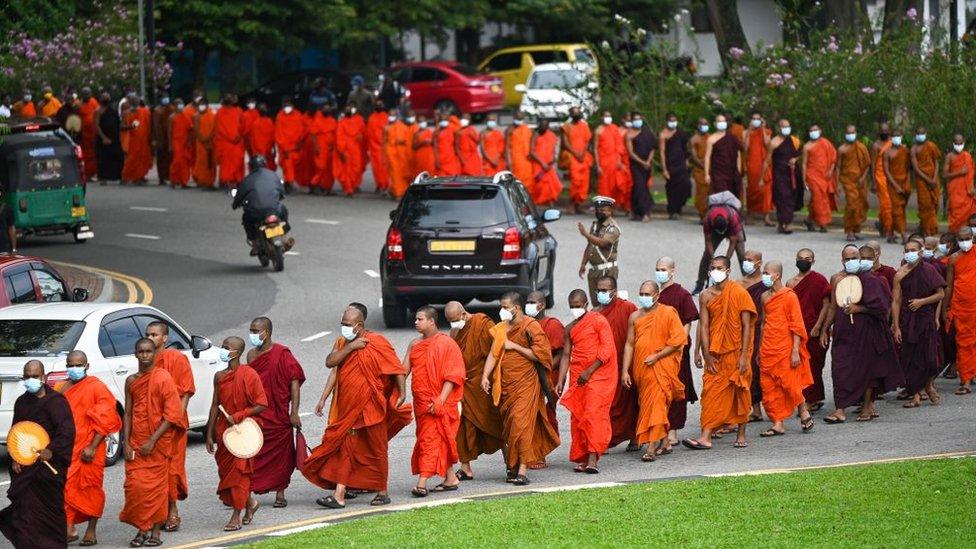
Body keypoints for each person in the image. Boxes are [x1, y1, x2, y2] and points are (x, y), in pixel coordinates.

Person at [303, 307, 409, 508]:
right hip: (349, 409)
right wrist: (351, 347)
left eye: (347, 325)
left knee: (377, 449)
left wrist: (402, 393)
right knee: (346, 448)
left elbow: (397, 369)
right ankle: (339, 495)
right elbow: (330, 363)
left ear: (359, 326)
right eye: (342, 324)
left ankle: (382, 492)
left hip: (372, 407)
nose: (343, 328)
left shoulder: (377, 342)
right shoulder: (344, 343)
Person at [480, 292, 559, 486]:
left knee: (520, 425)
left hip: (526, 385)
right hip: (505, 385)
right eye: (502, 306)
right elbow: (493, 353)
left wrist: (514, 346)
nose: (502, 310)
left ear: (516, 308)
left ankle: (523, 469)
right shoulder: (500, 329)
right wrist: (485, 376)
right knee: (509, 428)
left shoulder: (531, 326)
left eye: (506, 307)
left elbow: (541, 355)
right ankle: (512, 467)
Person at [820, 245, 903, 423]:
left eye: (854, 258)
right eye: (847, 259)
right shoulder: (838, 279)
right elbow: (834, 307)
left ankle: (866, 407)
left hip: (866, 333)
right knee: (840, 369)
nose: (851, 262)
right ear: (842, 261)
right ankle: (840, 409)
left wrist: (860, 308)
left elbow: (882, 307)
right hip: (844, 334)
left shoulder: (871, 279)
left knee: (867, 371)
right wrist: (824, 329)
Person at [683, 256, 756, 450]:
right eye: (713, 268)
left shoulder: (739, 293)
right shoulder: (706, 295)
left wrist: (744, 356)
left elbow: (747, 326)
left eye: (720, 268)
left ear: (728, 270)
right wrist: (704, 353)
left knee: (740, 392)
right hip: (715, 354)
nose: (716, 271)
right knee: (710, 393)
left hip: (736, 352)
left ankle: (741, 434)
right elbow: (704, 326)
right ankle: (705, 436)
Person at [0, 361, 74, 548]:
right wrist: (15, 457)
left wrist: (51, 450)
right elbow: (16, 432)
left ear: (43, 378)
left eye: (34, 376)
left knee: (49, 516)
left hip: (48, 470)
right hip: (26, 469)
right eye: (27, 376)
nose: (30, 380)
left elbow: (67, 432)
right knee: (25, 518)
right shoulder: (22, 402)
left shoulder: (56, 402)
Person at [119, 339, 182, 547]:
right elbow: (128, 413)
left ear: (155, 353)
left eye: (148, 351)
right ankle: (141, 527)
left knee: (157, 490)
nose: (145, 355)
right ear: (135, 354)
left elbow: (172, 415)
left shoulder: (163, 378)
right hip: (136, 443)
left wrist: (152, 440)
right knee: (136, 488)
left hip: (157, 445)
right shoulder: (131, 381)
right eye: (141, 352)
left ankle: (153, 532)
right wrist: (126, 443)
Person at [56, 350, 119, 546]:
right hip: (67, 448)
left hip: (90, 447)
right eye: (70, 364)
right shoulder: (60, 387)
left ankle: (91, 531)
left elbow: (107, 419)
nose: (74, 368)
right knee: (65, 489)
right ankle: (69, 528)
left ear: (87, 366)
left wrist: (92, 446)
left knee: (91, 488)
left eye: (78, 364)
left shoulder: (96, 387)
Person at [205, 337, 267, 531]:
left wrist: (240, 414)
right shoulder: (219, 376)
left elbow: (261, 404)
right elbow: (215, 405)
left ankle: (236, 515)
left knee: (240, 472)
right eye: (222, 347)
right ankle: (250, 503)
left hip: (245, 430)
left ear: (237, 353)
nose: (222, 350)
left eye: (226, 348)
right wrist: (209, 433)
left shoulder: (249, 374)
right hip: (225, 431)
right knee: (226, 471)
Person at [621, 280, 686, 460]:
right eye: (641, 294)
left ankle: (651, 447)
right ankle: (664, 443)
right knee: (648, 405)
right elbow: (629, 344)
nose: (644, 298)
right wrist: (624, 371)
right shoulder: (635, 317)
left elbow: (677, 341)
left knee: (656, 405)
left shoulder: (668, 313)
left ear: (657, 295)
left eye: (647, 294)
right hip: (641, 369)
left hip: (661, 367)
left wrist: (657, 356)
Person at [404, 307, 466, 496]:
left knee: (431, 441)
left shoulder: (446, 344)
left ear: (432, 321)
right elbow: (403, 371)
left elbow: (454, 375)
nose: (416, 322)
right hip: (422, 404)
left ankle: (422, 483)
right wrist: (396, 392)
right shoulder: (414, 344)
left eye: (420, 319)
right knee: (435, 440)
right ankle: (450, 478)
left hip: (440, 403)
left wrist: (440, 399)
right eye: (416, 319)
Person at [245, 317, 306, 508]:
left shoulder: (282, 354)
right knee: (252, 452)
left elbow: (294, 382)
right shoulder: (251, 356)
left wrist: (294, 412)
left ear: (267, 332)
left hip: (278, 414)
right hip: (257, 414)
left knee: (281, 455)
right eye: (251, 331)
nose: (253, 335)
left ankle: (280, 493)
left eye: (256, 331)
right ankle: (244, 492)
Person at [557, 289, 617, 472]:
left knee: (594, 414)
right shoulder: (569, 328)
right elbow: (566, 355)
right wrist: (560, 380)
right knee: (579, 416)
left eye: (578, 306)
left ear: (586, 305)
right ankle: (582, 457)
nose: (575, 309)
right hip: (578, 376)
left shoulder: (598, 321)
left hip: (599, 374)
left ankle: (593, 458)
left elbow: (607, 349)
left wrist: (589, 371)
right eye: (572, 307)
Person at [444, 301, 504, 481]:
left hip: (483, 383)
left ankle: (511, 463)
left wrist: (490, 377)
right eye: (450, 321)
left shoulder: (482, 323)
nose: (453, 324)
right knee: (464, 425)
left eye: (455, 320)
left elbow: (496, 351)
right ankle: (465, 467)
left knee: (496, 422)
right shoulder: (455, 331)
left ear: (463, 314)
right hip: (465, 384)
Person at [146, 321, 194, 533]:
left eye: (155, 334)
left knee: (172, 469)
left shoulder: (176, 358)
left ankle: (172, 510)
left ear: (165, 338)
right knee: (152, 471)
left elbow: (186, 391)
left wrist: (177, 417)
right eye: (148, 334)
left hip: (173, 425)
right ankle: (156, 512)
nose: (151, 337)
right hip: (149, 424)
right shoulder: (145, 360)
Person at [758, 261, 815, 436]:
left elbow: (796, 324)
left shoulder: (789, 296)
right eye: (763, 273)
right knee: (769, 386)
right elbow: (764, 323)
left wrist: (795, 350)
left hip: (785, 347)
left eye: (767, 273)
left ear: (777, 275)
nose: (764, 276)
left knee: (789, 383)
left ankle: (804, 411)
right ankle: (777, 423)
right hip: (768, 347)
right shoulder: (764, 297)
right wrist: (760, 348)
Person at [893, 240, 946, 408]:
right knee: (910, 358)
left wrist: (922, 301)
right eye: (907, 250)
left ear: (921, 252)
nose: (910, 253)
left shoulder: (929, 270)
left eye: (913, 250)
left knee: (930, 358)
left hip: (925, 318)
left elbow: (940, 294)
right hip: (907, 319)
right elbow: (895, 301)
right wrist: (896, 326)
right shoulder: (900, 274)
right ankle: (915, 395)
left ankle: (929, 385)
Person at [654, 257, 700, 447]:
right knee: (658, 390)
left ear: (673, 271)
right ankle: (659, 428)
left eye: (663, 269)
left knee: (675, 390)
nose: (660, 272)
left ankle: (672, 431)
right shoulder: (654, 294)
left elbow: (687, 322)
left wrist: (678, 345)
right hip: (657, 349)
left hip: (676, 350)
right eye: (657, 269)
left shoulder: (681, 294)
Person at [593, 275, 639, 450]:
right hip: (605, 367)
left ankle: (635, 437)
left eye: (604, 290)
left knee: (632, 403)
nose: (601, 293)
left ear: (614, 291)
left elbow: (637, 332)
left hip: (627, 363)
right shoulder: (596, 313)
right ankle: (605, 438)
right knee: (607, 406)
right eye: (598, 290)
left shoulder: (627, 308)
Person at [787, 248, 832, 411]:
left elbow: (827, 305)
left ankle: (812, 399)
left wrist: (818, 327)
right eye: (801, 258)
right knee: (799, 366)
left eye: (807, 258)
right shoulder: (790, 283)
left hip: (815, 329)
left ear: (813, 261)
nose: (804, 261)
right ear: (796, 259)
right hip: (798, 330)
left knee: (814, 365)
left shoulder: (819, 280)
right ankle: (805, 398)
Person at [233, 156, 292, 251]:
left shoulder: (248, 179)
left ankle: (255, 243)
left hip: (257, 212)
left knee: (246, 218)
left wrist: (235, 205)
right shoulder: (273, 175)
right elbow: (281, 191)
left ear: (251, 167)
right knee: (283, 209)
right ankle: (285, 235)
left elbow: (239, 196)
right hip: (274, 209)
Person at [944, 226, 976, 394]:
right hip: (961, 307)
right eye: (961, 239)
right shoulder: (954, 259)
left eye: (967, 238)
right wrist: (944, 308)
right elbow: (949, 286)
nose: (965, 242)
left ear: (973, 238)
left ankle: (972, 373)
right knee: (964, 343)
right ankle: (966, 380)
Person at [695, 198, 747, 294]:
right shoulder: (707, 220)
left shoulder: (733, 218)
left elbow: (733, 242)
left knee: (742, 254)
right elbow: (708, 241)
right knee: (707, 255)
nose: (722, 233)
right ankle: (700, 284)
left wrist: (725, 260)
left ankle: (749, 283)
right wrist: (712, 258)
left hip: (734, 229)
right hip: (715, 229)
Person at [739, 250, 766, 423]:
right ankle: (755, 410)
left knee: (763, 369)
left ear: (759, 263)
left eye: (750, 260)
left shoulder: (766, 282)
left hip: (765, 329)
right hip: (746, 330)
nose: (747, 263)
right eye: (745, 260)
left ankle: (773, 407)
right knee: (749, 370)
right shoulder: (739, 284)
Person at [578, 196, 621, 305]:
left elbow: (603, 243)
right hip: (594, 270)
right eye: (597, 210)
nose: (599, 212)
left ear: (610, 211)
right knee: (596, 304)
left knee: (607, 304)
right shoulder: (595, 225)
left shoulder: (613, 228)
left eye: (603, 210)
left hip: (607, 271)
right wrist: (583, 264)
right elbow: (590, 246)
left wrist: (586, 234)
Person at [764, 118, 801, 234]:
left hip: (792, 173)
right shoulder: (773, 142)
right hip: (779, 174)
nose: (786, 129)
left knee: (791, 197)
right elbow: (767, 161)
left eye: (788, 126)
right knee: (782, 198)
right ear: (779, 128)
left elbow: (801, 154)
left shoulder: (794, 140)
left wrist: (795, 159)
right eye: (784, 126)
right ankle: (787, 224)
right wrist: (761, 178)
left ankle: (782, 224)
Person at [835, 125, 871, 241]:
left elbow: (867, 165)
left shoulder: (861, 147)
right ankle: (849, 231)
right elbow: (838, 167)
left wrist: (862, 178)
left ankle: (856, 230)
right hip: (848, 181)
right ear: (845, 134)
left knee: (861, 205)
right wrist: (837, 184)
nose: (851, 135)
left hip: (861, 181)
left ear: (856, 133)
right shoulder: (842, 149)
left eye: (852, 132)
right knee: (852, 205)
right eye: (848, 133)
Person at [801, 124, 837, 233]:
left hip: (824, 175)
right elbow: (804, 164)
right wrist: (803, 180)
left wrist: (831, 170)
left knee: (817, 199)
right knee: (818, 198)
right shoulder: (807, 146)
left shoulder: (826, 143)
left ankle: (809, 220)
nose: (813, 132)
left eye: (815, 130)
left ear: (820, 131)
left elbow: (833, 158)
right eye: (811, 130)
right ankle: (823, 223)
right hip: (812, 176)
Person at [909, 127, 942, 237]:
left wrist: (934, 178)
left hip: (934, 179)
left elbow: (936, 162)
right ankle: (927, 231)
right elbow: (916, 168)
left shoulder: (931, 146)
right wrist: (928, 180)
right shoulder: (913, 149)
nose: (920, 135)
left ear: (926, 134)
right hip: (922, 181)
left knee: (934, 204)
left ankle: (927, 228)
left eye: (922, 133)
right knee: (925, 205)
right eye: (918, 133)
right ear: (915, 134)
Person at [743, 112, 773, 225]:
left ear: (761, 120)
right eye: (754, 118)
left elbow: (767, 144)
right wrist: (749, 132)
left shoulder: (766, 132)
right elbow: (745, 148)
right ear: (750, 120)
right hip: (752, 166)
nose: (756, 120)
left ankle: (766, 217)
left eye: (758, 119)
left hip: (764, 164)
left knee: (766, 191)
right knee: (752, 190)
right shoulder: (746, 132)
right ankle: (750, 215)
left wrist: (763, 129)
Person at [659, 112, 691, 219]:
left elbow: (685, 149)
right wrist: (664, 169)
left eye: (674, 120)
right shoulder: (663, 134)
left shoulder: (680, 133)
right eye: (671, 120)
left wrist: (686, 162)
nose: (673, 123)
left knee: (686, 185)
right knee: (672, 189)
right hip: (670, 165)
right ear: (667, 121)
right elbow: (662, 153)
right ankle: (673, 211)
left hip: (681, 163)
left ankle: (680, 206)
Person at [704, 113, 743, 198]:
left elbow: (738, 154)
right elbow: (707, 157)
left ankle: (730, 211)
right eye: (719, 121)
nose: (721, 123)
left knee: (732, 196)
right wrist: (706, 174)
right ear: (715, 124)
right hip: (718, 173)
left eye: (723, 121)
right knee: (721, 195)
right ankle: (721, 211)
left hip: (732, 172)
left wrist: (739, 171)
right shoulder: (711, 139)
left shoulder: (732, 138)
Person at [883, 129, 912, 244]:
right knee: (897, 210)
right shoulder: (887, 152)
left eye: (898, 135)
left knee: (902, 209)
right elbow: (886, 171)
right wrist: (896, 186)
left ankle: (890, 233)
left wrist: (907, 183)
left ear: (902, 136)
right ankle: (904, 234)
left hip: (905, 184)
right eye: (894, 136)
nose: (897, 138)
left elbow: (909, 169)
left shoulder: (905, 151)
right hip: (893, 185)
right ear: (891, 137)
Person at [626, 112, 656, 222]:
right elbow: (631, 153)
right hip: (636, 164)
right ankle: (645, 212)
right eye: (635, 119)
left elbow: (653, 148)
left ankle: (635, 211)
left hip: (647, 165)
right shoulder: (629, 135)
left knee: (640, 187)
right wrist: (642, 162)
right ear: (632, 121)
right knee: (639, 186)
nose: (638, 121)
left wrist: (648, 161)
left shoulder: (647, 133)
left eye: (639, 119)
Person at [563, 107, 593, 214]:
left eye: (578, 112)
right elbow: (565, 143)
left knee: (584, 183)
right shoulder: (566, 127)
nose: (577, 114)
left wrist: (582, 153)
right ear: (570, 114)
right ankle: (571, 205)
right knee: (575, 182)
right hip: (573, 157)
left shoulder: (585, 126)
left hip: (584, 157)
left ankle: (578, 205)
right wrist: (576, 154)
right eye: (574, 113)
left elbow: (587, 141)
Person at [944, 135, 975, 233]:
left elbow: (971, 173)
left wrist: (972, 187)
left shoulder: (967, 155)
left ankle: (966, 236)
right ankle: (953, 236)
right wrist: (959, 173)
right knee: (955, 214)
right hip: (955, 190)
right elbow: (944, 174)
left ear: (964, 143)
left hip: (967, 191)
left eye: (960, 143)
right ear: (953, 143)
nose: (959, 145)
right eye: (956, 143)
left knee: (970, 213)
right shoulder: (949, 156)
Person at [215, 95, 246, 188]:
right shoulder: (220, 112)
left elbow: (242, 125)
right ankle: (226, 181)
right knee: (226, 163)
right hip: (225, 142)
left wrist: (239, 136)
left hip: (237, 142)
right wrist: (231, 138)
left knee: (238, 161)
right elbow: (220, 128)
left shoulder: (238, 111)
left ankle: (237, 180)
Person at [274, 99, 305, 191]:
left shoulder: (298, 115)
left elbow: (301, 130)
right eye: (285, 105)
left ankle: (288, 182)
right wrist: (284, 148)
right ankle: (289, 183)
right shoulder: (280, 116)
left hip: (295, 146)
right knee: (287, 165)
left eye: (289, 105)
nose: (287, 107)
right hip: (284, 147)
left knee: (292, 165)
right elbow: (278, 134)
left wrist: (299, 143)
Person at [120, 97, 153, 184]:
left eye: (136, 101)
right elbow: (121, 127)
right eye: (133, 101)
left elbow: (150, 125)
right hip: (132, 141)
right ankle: (126, 176)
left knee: (143, 159)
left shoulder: (145, 112)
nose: (135, 102)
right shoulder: (126, 113)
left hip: (144, 140)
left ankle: (140, 176)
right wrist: (131, 126)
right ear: (130, 103)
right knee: (131, 159)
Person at [335, 105, 366, 195]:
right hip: (346, 149)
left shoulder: (358, 121)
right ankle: (348, 188)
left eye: (350, 108)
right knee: (347, 170)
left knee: (356, 168)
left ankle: (352, 185)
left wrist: (361, 136)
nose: (349, 110)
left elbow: (363, 132)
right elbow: (339, 137)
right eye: (347, 108)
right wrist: (341, 151)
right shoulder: (341, 122)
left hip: (356, 149)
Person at [529, 119, 561, 207]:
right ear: (539, 125)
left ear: (548, 127)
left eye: (545, 126)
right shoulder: (535, 135)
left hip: (549, 166)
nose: (543, 127)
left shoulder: (552, 135)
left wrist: (553, 160)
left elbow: (554, 151)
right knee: (538, 187)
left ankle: (551, 207)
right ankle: (536, 207)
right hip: (538, 165)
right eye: (541, 125)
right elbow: (531, 152)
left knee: (550, 186)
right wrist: (542, 163)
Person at [309, 103, 337, 194]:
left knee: (329, 169)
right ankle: (314, 184)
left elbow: (335, 134)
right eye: (325, 109)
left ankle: (326, 187)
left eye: (328, 109)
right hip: (320, 147)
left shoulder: (332, 120)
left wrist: (334, 146)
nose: (327, 110)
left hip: (330, 149)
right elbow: (313, 135)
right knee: (321, 167)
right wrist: (316, 147)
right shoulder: (317, 120)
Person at [872, 123, 894, 240]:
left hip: (892, 177)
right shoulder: (876, 145)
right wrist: (873, 182)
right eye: (883, 131)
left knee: (889, 204)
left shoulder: (892, 143)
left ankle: (882, 224)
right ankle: (889, 229)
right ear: (880, 132)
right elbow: (873, 164)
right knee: (887, 204)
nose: (885, 133)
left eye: (886, 131)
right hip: (880, 177)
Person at [595, 112, 623, 201]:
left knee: (615, 184)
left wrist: (619, 160)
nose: (608, 117)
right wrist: (598, 165)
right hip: (603, 162)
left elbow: (619, 145)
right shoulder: (598, 130)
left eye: (609, 116)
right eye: (606, 116)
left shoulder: (615, 128)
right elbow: (595, 149)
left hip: (615, 161)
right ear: (602, 117)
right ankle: (604, 206)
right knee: (604, 185)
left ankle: (614, 206)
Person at [386, 109, 413, 199]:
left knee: (403, 173)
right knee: (394, 173)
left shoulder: (403, 127)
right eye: (390, 114)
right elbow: (384, 142)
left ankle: (400, 191)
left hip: (403, 154)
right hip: (392, 154)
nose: (391, 116)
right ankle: (397, 192)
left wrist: (402, 142)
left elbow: (408, 141)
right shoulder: (386, 128)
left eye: (393, 114)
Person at [192, 100, 217, 188]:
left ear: (207, 105)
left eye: (203, 104)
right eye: (200, 105)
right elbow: (196, 131)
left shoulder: (212, 115)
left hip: (211, 142)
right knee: (201, 162)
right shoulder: (196, 116)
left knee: (211, 162)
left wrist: (209, 138)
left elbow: (214, 128)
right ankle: (201, 180)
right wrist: (204, 140)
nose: (201, 106)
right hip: (201, 144)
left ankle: (210, 182)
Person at [367, 101, 390, 191]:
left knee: (384, 168)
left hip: (385, 147)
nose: (379, 106)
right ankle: (379, 184)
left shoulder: (386, 117)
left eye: (381, 104)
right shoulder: (372, 118)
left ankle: (384, 184)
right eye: (377, 105)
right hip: (375, 148)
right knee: (376, 168)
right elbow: (369, 133)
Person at [77, 87, 100, 180]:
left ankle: (95, 172)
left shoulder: (94, 102)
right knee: (86, 154)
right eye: (85, 94)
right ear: (82, 95)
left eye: (89, 94)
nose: (87, 96)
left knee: (95, 153)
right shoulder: (78, 105)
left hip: (94, 132)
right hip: (84, 134)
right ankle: (87, 173)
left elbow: (99, 113)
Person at [247, 103, 277, 172]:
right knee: (268, 168)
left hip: (260, 152)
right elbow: (273, 138)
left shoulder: (255, 123)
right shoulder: (269, 122)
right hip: (267, 151)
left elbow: (253, 140)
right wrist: (273, 149)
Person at [152, 95, 175, 184]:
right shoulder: (157, 111)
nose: (166, 100)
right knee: (161, 159)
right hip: (161, 138)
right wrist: (157, 139)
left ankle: (170, 176)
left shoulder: (172, 109)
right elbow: (156, 126)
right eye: (164, 98)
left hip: (170, 138)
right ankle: (161, 178)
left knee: (170, 158)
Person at [507, 112, 533, 188]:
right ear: (514, 117)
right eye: (518, 119)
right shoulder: (510, 130)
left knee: (528, 180)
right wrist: (509, 161)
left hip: (527, 159)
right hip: (515, 159)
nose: (519, 120)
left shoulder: (527, 129)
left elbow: (531, 143)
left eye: (521, 119)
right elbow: (507, 147)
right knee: (517, 180)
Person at [690, 118, 710, 218]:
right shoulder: (694, 139)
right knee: (701, 192)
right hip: (700, 169)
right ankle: (702, 214)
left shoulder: (711, 138)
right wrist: (703, 166)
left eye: (706, 124)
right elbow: (694, 157)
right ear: (698, 125)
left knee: (711, 191)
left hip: (710, 169)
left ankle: (710, 214)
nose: (704, 125)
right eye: (702, 124)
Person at [433, 111, 461, 177]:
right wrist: (436, 160)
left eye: (445, 119)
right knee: (441, 179)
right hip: (441, 159)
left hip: (451, 159)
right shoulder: (436, 132)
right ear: (439, 121)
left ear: (448, 120)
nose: (444, 121)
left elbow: (456, 144)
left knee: (453, 178)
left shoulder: (453, 129)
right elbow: (435, 147)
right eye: (442, 120)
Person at [0, 188, 15, 254]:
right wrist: (14, 249)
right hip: (4, 248)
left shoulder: (7, 208)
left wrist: (14, 249)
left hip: (3, 249)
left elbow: (12, 229)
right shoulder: (7, 208)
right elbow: (12, 229)